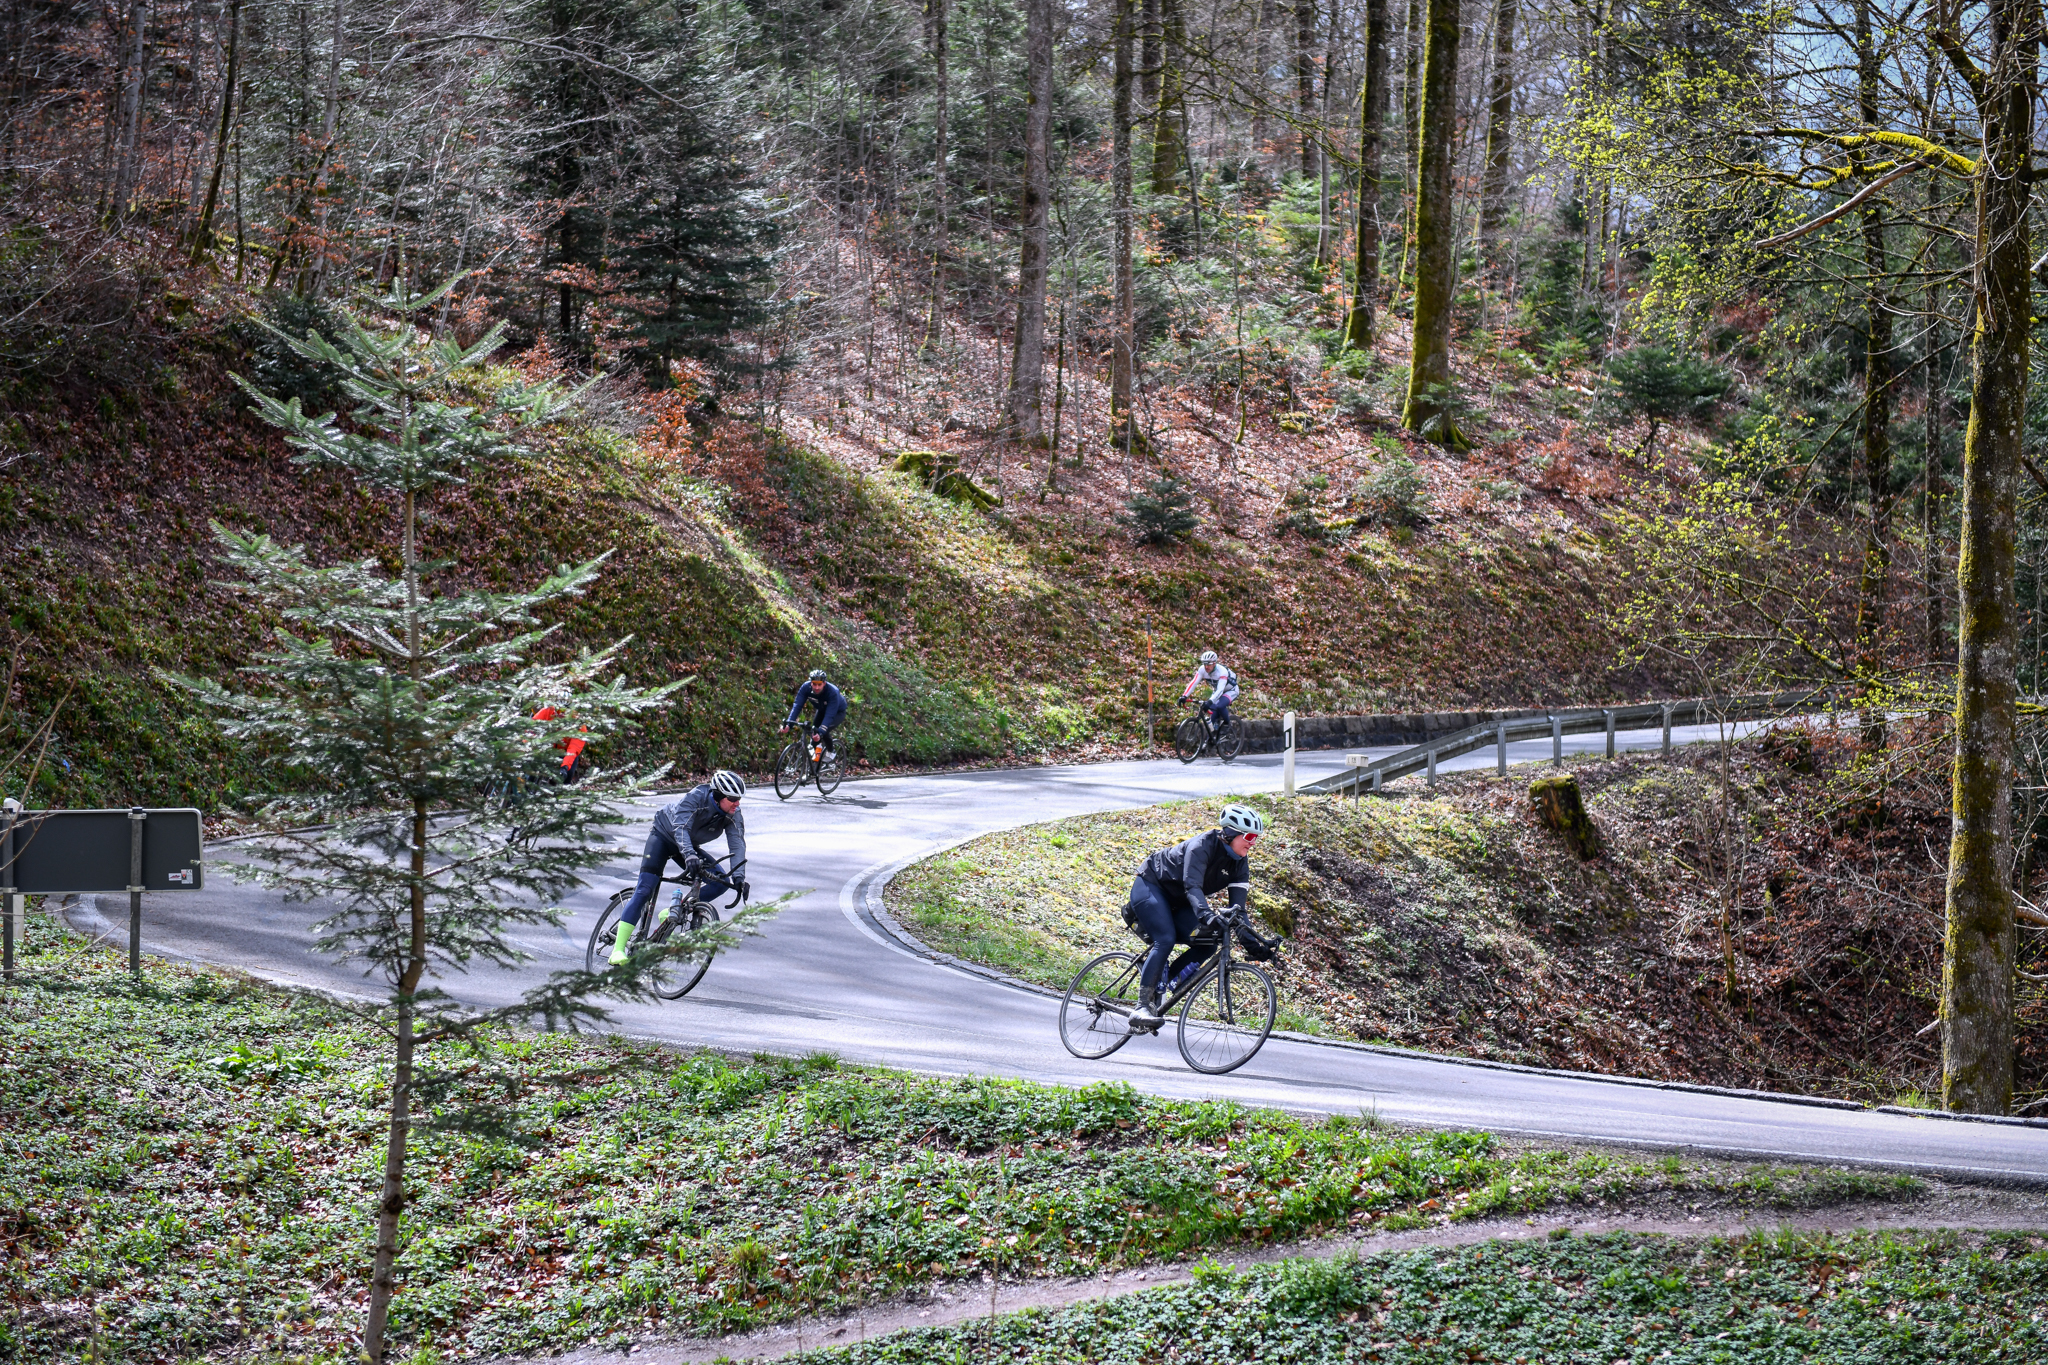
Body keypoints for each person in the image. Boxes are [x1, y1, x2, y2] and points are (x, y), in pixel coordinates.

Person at [1123, 803, 1266, 1027]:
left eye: (1256, 837)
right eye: (1248, 835)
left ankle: (1164, 982)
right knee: (1165, 938)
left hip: (1180, 902)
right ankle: (1141, 1007)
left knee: (1208, 943)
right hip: (1152, 886)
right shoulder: (1202, 846)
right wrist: (1207, 915)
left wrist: (1255, 946)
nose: (1253, 842)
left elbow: (1240, 911)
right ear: (1229, 833)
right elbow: (1192, 887)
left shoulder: (1240, 863)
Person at [609, 769, 750, 965]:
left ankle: (672, 911)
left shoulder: (733, 813)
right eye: (733, 798)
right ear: (718, 796)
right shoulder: (696, 798)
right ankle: (617, 951)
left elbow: (737, 842)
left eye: (739, 798)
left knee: (721, 882)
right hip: (663, 836)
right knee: (644, 889)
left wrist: (740, 879)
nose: (737, 803)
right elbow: (680, 828)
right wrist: (690, 855)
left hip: (688, 846)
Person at [783, 668, 848, 758]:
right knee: (814, 735)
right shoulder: (805, 688)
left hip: (837, 712)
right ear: (811, 683)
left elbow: (829, 715)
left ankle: (831, 751)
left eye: (819, 685)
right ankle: (813, 764)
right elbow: (797, 705)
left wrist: (821, 732)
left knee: (823, 731)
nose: (816, 687)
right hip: (822, 710)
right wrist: (789, 724)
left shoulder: (833, 692)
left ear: (824, 683)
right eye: (814, 684)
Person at [1182, 650, 1239, 734]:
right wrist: (1184, 696)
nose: (1206, 667)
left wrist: (1210, 701)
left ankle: (1227, 724)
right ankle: (1212, 739)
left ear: (1214, 663)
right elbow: (1194, 682)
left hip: (1231, 690)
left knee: (1219, 705)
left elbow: (1220, 690)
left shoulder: (1222, 671)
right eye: (1204, 664)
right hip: (1217, 691)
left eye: (1208, 664)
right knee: (1212, 715)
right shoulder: (1202, 669)